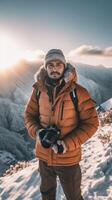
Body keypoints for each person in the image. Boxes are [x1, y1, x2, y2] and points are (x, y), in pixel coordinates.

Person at [24, 49, 99, 200]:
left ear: (64, 66)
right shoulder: (38, 91)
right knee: (47, 193)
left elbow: (92, 123)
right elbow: (29, 116)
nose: (54, 68)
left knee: (73, 196)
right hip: (44, 156)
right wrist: (38, 132)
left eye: (58, 64)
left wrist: (66, 144)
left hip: (68, 158)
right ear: (45, 67)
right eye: (50, 64)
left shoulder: (78, 92)